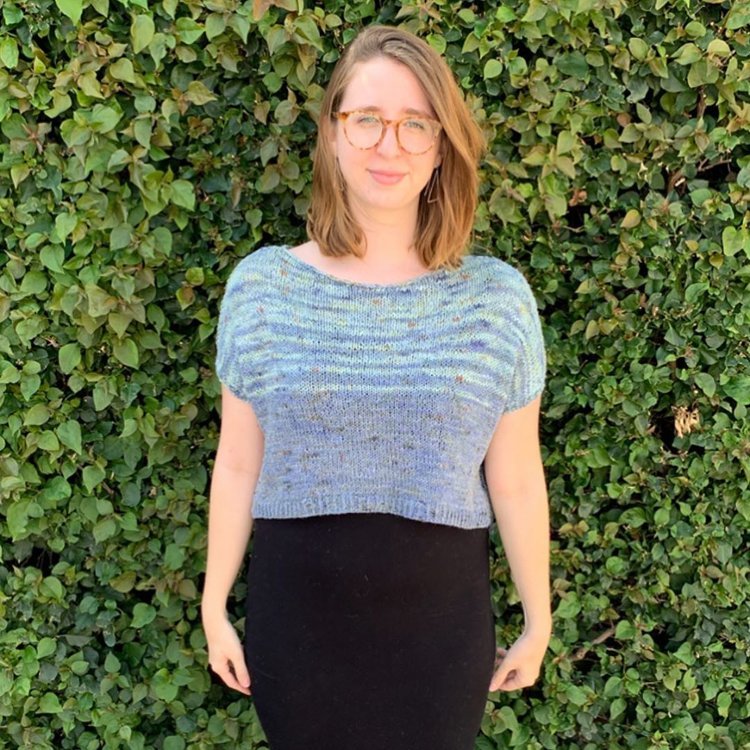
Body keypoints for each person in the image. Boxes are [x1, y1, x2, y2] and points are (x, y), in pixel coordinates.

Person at [201, 23, 551, 750]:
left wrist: (538, 617)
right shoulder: (263, 289)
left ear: (441, 145)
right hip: (298, 625)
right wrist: (213, 605)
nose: (389, 145)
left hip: (440, 635)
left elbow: (516, 477)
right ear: (333, 132)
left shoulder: (495, 299)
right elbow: (236, 463)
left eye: (415, 124)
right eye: (367, 119)